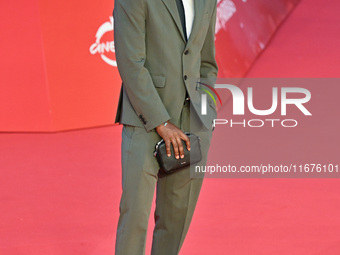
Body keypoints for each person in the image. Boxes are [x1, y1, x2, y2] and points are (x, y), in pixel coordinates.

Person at [113, 0, 218, 254]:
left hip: (192, 123)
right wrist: (161, 122)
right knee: (134, 217)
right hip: (144, 119)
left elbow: (206, 62)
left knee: (176, 219)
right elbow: (131, 63)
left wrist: (206, 111)